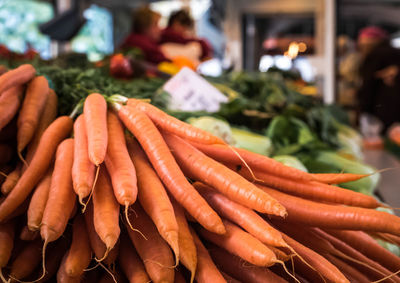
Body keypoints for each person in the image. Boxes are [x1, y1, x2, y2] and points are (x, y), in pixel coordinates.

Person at [357, 26, 400, 134]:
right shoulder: (395, 52)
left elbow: (368, 85)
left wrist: (363, 109)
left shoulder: (374, 55)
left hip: (383, 107)